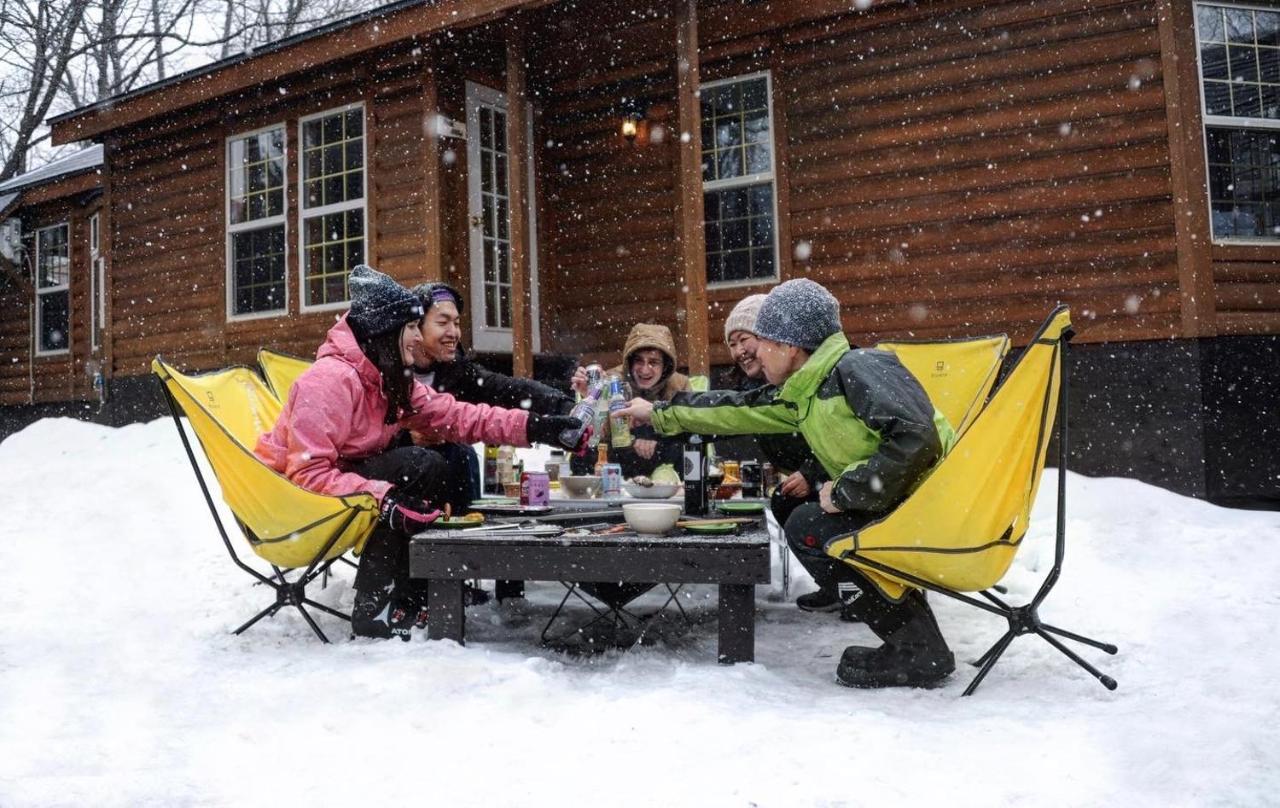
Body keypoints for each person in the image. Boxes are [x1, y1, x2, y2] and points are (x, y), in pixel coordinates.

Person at [619, 279, 958, 688]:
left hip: (939, 511)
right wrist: (659, 413)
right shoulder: (804, 392)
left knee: (810, 525)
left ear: (791, 345)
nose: (755, 352)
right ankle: (916, 641)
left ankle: (917, 648)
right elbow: (734, 409)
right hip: (907, 506)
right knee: (807, 520)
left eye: (761, 340)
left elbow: (917, 438)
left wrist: (849, 490)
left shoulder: (859, 366)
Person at [255, 265, 585, 640]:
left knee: (439, 461)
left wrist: (542, 428)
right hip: (290, 505)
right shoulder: (330, 381)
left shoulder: (390, 378)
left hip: (344, 486)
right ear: (386, 331)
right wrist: (386, 498)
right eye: (412, 327)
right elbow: (306, 475)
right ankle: (373, 606)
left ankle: (412, 595)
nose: (418, 336)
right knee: (418, 464)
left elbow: (459, 416)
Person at [406, 280, 576, 511]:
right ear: (416, 326)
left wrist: (561, 405)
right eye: (443, 323)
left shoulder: (456, 370)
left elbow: (505, 388)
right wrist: (407, 436)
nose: (453, 332)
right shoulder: (392, 371)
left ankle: (464, 524)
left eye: (456, 323)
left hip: (450, 474)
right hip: (399, 478)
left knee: (461, 454)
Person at [711, 294, 826, 530]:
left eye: (744, 339)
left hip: (831, 490)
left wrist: (813, 474)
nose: (739, 351)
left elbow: (842, 439)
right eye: (732, 344)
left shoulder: (804, 381)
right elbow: (721, 416)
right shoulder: (752, 387)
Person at [569, 323, 690, 479]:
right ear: (630, 362)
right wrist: (591, 397)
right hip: (618, 464)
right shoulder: (610, 381)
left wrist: (656, 440)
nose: (645, 370)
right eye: (639, 361)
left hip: (664, 467)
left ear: (665, 366)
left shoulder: (680, 385)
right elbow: (597, 437)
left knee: (684, 447)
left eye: (653, 362)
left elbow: (690, 431)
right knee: (586, 447)